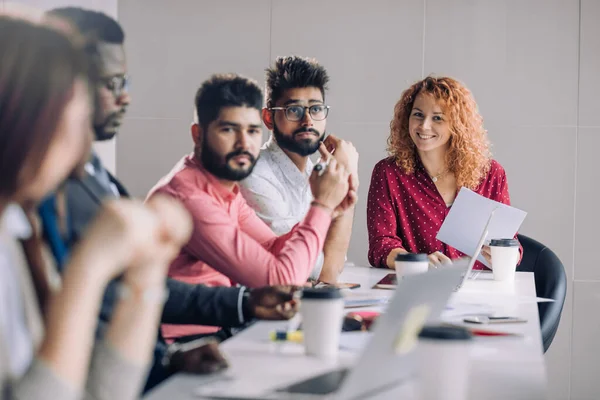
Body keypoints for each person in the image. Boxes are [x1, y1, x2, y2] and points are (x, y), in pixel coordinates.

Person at [40, 7, 302, 391]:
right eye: (108, 82)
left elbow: (129, 291)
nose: (124, 96)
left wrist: (174, 356)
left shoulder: (95, 178)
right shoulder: (52, 191)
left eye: (124, 80)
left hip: (147, 362)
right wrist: (323, 206)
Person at [0, 14, 193, 399]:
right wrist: (89, 268)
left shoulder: (16, 228)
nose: (81, 138)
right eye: (73, 118)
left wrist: (148, 272)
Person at [148, 73, 351, 342]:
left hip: (219, 332)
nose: (245, 144)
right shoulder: (189, 197)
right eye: (228, 130)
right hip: (179, 350)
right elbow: (279, 280)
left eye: (252, 131)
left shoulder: (224, 186)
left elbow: (272, 248)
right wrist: (321, 205)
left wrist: (331, 210)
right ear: (198, 135)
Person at [367, 76, 522, 270]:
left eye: (437, 118)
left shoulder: (491, 174)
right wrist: (418, 263)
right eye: (418, 115)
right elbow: (380, 246)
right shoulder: (388, 173)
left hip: (479, 293)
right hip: (416, 289)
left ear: (457, 124)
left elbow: (509, 243)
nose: (424, 126)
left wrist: (507, 254)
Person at [239, 55, 358, 283]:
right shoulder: (254, 175)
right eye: (294, 110)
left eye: (316, 109)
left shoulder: (313, 172)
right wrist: (347, 176)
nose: (308, 121)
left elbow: (335, 260)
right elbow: (322, 272)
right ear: (268, 118)